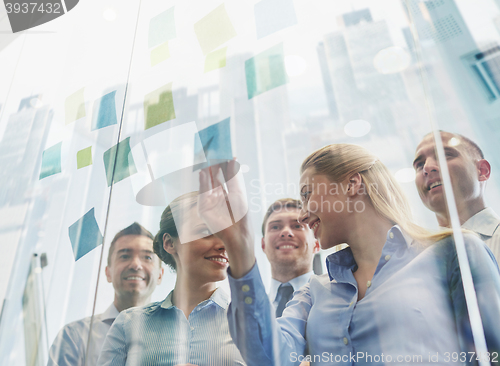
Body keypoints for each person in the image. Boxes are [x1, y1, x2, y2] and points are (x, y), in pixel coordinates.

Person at [198, 146, 500, 365]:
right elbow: (268, 357)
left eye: (307, 194)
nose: (303, 215)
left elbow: (491, 355)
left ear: (352, 184)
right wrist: (238, 243)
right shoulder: (313, 292)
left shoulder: (455, 252)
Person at [97, 192, 245, 366]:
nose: (223, 244)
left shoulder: (251, 323)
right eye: (206, 231)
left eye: (227, 234)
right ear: (169, 243)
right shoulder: (128, 324)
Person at [47, 222, 164, 366]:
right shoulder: (75, 336)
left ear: (160, 275)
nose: (135, 265)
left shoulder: (178, 336)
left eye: (147, 257)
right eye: (125, 256)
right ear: (108, 273)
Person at [414, 131, 500, 261]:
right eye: (419, 165)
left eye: (444, 155)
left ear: (482, 171)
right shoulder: (419, 261)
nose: (427, 167)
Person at [261, 199, 319, 317]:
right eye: (275, 227)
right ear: (263, 245)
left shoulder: (339, 301)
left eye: (297, 226)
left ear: (316, 244)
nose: (285, 232)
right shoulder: (249, 313)